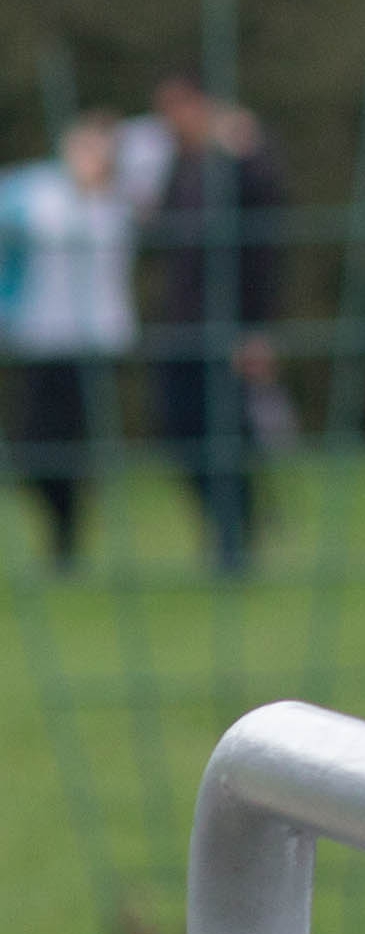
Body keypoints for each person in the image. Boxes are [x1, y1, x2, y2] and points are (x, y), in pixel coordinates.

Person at [139, 70, 286, 575]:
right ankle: (225, 527)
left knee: (227, 434)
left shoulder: (241, 164)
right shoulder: (180, 166)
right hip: (179, 322)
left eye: (178, 107)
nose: (170, 120)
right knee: (179, 429)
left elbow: (265, 243)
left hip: (229, 325)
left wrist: (256, 329)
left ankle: (235, 541)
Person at [0, 113, 134, 568]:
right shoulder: (44, 195)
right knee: (35, 448)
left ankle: (67, 542)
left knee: (73, 445)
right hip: (41, 340)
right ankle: (63, 531)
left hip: (96, 343)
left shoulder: (116, 206)